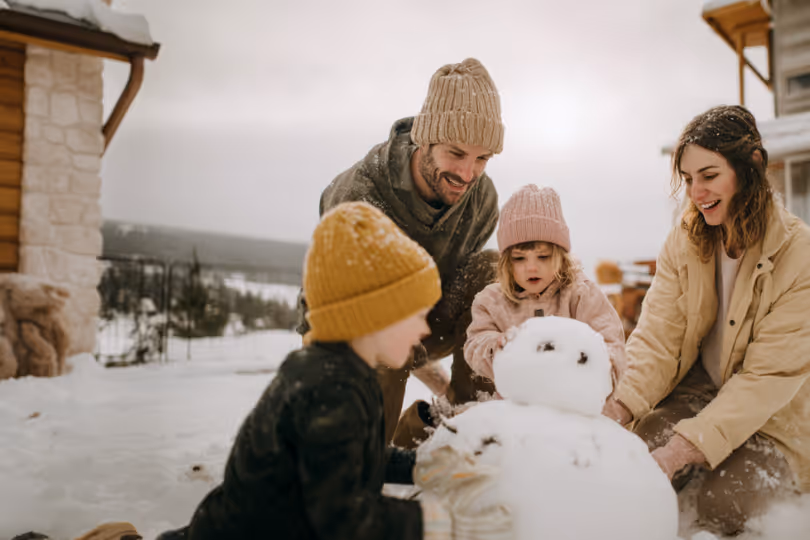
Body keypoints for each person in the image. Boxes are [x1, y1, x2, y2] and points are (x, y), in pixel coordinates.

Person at [158, 202, 510, 539]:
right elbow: (342, 520)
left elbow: (353, 457)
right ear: (375, 316)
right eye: (415, 315)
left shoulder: (346, 373)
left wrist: (422, 465)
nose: (423, 330)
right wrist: (445, 526)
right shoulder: (326, 389)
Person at [602, 105, 809, 536]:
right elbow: (658, 338)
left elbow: (768, 377)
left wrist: (683, 450)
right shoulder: (685, 240)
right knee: (635, 454)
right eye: (689, 178)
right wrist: (616, 408)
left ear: (751, 165)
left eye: (709, 175)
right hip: (698, 394)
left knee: (725, 502)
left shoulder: (799, 255)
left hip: (774, 419)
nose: (696, 192)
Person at [297, 57, 505, 446]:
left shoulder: (482, 199)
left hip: (423, 319)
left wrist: (447, 382)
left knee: (492, 272)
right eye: (456, 153)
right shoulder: (361, 197)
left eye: (482, 159)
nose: (467, 174)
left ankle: (459, 432)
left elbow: (466, 308)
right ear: (424, 138)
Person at [465, 184, 626, 388]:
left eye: (543, 257)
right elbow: (475, 343)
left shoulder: (581, 295)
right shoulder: (492, 301)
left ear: (561, 257)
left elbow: (611, 344)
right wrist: (497, 347)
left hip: (574, 402)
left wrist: (589, 367)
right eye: (519, 258)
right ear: (506, 261)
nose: (531, 267)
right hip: (514, 403)